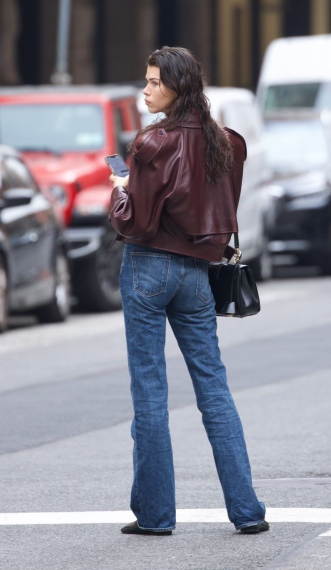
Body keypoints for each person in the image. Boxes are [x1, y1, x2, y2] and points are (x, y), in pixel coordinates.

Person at [108, 46, 268, 536]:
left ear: (178, 87)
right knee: (215, 391)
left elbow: (133, 221)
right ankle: (247, 512)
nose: (146, 90)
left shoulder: (153, 143)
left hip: (149, 268)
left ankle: (156, 516)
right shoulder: (227, 142)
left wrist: (119, 188)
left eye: (154, 82)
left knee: (150, 393)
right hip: (197, 275)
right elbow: (218, 208)